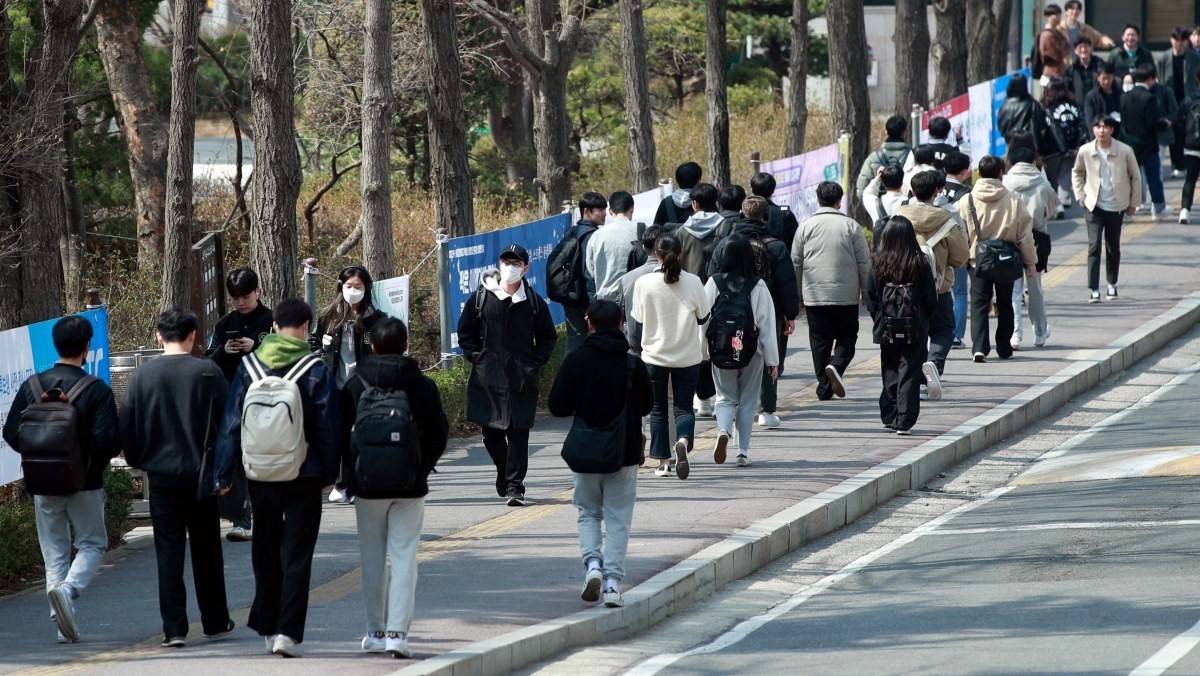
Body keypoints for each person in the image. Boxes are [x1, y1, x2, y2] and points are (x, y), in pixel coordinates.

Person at [215, 297, 341, 658]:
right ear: (305, 327)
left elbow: (231, 423)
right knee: (297, 551)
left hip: (260, 472)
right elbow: (328, 426)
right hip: (304, 473)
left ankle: (268, 626)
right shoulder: (314, 369)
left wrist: (224, 472)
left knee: (265, 546)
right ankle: (287, 631)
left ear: (273, 327)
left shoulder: (249, 367)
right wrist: (328, 473)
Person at [119, 308, 234, 648]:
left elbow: (127, 425)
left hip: (162, 477)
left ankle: (174, 628)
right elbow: (229, 425)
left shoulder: (142, 377)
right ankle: (214, 620)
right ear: (193, 336)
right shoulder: (208, 372)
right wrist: (225, 471)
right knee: (207, 550)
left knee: (168, 552)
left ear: (158, 336)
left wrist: (141, 461)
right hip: (201, 475)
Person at [2, 315, 119, 645]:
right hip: (86, 483)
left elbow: (11, 432)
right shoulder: (95, 390)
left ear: (55, 345)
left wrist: (40, 459)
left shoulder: (32, 387)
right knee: (92, 543)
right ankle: (68, 591)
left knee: (54, 551)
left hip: (43, 484)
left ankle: (60, 620)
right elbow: (107, 440)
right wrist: (88, 462)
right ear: (86, 347)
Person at [340, 317, 448, 658]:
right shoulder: (420, 384)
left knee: (372, 559)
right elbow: (439, 433)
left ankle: (375, 631)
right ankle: (398, 635)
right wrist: (421, 467)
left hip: (367, 485)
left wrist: (350, 475)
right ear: (405, 346)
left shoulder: (355, 383)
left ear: (371, 347)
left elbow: (340, 435)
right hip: (409, 485)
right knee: (404, 558)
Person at [548, 300, 653, 609]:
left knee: (588, 513)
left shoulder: (577, 359)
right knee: (618, 519)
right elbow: (647, 406)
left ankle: (593, 565)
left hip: (586, 452)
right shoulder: (633, 363)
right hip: (624, 452)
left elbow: (557, 406)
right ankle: (611, 584)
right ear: (621, 323)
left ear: (588, 323)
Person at [457, 244, 558, 506]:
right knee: (491, 434)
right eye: (506, 262)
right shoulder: (481, 297)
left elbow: (548, 336)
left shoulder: (533, 302)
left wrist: (535, 361)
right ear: (499, 265)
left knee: (518, 433)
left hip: (521, 377)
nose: (510, 267)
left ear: (526, 268)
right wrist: (475, 356)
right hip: (488, 377)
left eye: (516, 263)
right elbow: (465, 332)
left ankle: (515, 486)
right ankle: (504, 472)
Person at [708, 196, 799, 427]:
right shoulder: (775, 245)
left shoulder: (726, 244)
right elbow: (786, 283)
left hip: (728, 311)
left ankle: (727, 408)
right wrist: (790, 314)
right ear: (766, 215)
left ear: (741, 214)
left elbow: (712, 275)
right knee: (768, 354)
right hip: (767, 308)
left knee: (728, 351)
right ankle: (766, 410)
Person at [631, 233, 710, 479]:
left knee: (658, 410)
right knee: (684, 407)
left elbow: (639, 319)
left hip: (654, 356)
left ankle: (663, 462)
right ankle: (683, 443)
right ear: (681, 254)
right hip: (687, 356)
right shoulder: (694, 282)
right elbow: (704, 317)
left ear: (655, 255)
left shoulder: (643, 283)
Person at [206, 267, 273, 541]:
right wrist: (224, 351)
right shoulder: (224, 325)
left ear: (257, 291)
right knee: (235, 458)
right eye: (235, 297)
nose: (241, 302)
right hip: (232, 402)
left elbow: (283, 356)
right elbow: (209, 361)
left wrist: (255, 348)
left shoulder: (272, 321)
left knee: (262, 458)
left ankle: (267, 514)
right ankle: (241, 519)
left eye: (245, 295)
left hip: (268, 401)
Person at [703, 234, 779, 466]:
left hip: (721, 349)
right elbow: (766, 326)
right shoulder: (758, 285)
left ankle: (724, 430)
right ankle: (742, 452)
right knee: (747, 401)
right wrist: (771, 361)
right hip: (751, 351)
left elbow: (704, 320)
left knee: (724, 397)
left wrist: (704, 352)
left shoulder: (713, 282)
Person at [791, 181, 870, 400]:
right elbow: (864, 263)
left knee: (819, 341)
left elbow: (795, 263)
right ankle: (836, 366)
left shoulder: (805, 227)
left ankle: (824, 386)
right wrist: (867, 291)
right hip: (846, 296)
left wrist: (796, 295)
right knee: (847, 338)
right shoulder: (851, 226)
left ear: (818, 199)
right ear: (839, 201)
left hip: (814, 296)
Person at [313, 264, 385, 504]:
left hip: (363, 386)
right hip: (335, 385)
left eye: (358, 286)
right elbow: (314, 343)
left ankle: (357, 483)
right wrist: (320, 350)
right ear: (340, 287)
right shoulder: (329, 316)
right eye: (348, 286)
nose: (353, 290)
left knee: (360, 435)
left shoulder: (374, 318)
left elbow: (377, 349)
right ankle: (341, 483)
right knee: (339, 436)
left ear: (367, 289)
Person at [895, 170, 969, 400]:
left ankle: (916, 381)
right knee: (944, 330)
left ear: (912, 191)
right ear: (936, 191)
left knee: (913, 334)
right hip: (939, 289)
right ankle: (933, 364)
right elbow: (960, 257)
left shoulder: (898, 218)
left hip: (904, 288)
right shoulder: (946, 219)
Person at [866, 217, 938, 435]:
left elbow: (871, 297)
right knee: (909, 369)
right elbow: (930, 298)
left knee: (889, 367)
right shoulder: (920, 262)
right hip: (914, 326)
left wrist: (880, 318)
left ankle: (889, 415)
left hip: (886, 326)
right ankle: (905, 419)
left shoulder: (878, 262)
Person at [962, 155, 1037, 362]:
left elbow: (962, 234)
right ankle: (1004, 347)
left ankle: (979, 347)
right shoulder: (1014, 199)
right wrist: (1031, 263)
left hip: (978, 260)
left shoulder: (967, 200)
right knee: (1005, 303)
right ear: (1000, 173)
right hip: (1006, 259)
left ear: (980, 173)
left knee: (978, 303)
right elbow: (1024, 235)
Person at [1072, 115, 1141, 303]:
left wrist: (1134, 203)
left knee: (1113, 247)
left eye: (1105, 127)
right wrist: (1080, 194)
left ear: (1112, 129)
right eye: (1098, 126)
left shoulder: (1125, 151)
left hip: (1116, 206)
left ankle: (1112, 284)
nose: (1101, 130)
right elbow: (1077, 172)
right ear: (1093, 129)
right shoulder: (1086, 150)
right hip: (1093, 205)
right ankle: (1094, 289)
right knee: (1094, 246)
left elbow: (1136, 177)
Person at [671, 182, 723, 417]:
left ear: (694, 204)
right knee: (721, 346)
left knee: (697, 348)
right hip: (722, 296)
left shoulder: (681, 233)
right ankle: (723, 395)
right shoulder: (726, 227)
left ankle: (702, 399)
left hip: (690, 298)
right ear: (717, 202)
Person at [1002, 148, 1058, 349]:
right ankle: (1040, 332)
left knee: (1014, 290)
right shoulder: (1042, 183)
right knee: (1035, 289)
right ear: (1033, 163)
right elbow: (1052, 206)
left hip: (1011, 238)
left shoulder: (1005, 183)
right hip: (1037, 238)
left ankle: (1015, 335)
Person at [557, 191, 606, 353]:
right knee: (598, 344)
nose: (604, 213)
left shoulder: (570, 232)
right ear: (586, 211)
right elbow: (590, 274)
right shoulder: (594, 236)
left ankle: (568, 377)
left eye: (605, 209)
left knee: (574, 344)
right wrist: (594, 307)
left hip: (570, 297)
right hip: (587, 300)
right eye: (599, 209)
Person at [1120, 65, 1171, 219]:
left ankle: (1127, 207)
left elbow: (1124, 123)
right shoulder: (1149, 98)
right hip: (1148, 144)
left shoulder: (1125, 97)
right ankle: (1158, 209)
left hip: (1130, 145)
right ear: (1150, 79)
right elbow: (1152, 124)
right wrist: (1165, 123)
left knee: (1129, 178)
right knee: (1153, 177)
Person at [997, 73, 1064, 174]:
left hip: (1011, 145)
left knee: (1011, 172)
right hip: (1030, 145)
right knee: (1034, 173)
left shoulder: (1004, 105)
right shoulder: (1032, 103)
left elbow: (1001, 127)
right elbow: (1042, 124)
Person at [1043, 77, 1089, 214]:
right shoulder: (1074, 105)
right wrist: (1079, 145)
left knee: (1052, 178)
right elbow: (1082, 125)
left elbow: (1053, 129)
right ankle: (1063, 200)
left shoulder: (1048, 108)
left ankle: (1057, 205)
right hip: (1072, 147)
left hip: (1052, 149)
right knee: (1065, 175)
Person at [585, 190, 640, 302]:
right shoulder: (641, 230)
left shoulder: (597, 236)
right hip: (635, 298)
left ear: (610, 211)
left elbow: (591, 269)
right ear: (632, 209)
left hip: (607, 301)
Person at [943, 151, 974, 349]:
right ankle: (956, 335)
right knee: (960, 292)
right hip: (958, 246)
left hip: (936, 247)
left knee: (938, 291)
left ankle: (937, 331)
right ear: (965, 172)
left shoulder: (935, 188)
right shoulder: (966, 195)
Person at [1160, 26, 1200, 176]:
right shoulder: (1164, 57)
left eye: (1183, 40)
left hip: (1189, 99)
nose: (1179, 44)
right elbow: (1160, 79)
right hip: (1170, 99)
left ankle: (1189, 165)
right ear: (1171, 40)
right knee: (1174, 133)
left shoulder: (1194, 57)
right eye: (1176, 40)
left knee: (1189, 132)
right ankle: (1177, 166)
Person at [619, 224, 664, 355]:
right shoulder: (679, 275)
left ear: (643, 247)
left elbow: (622, 313)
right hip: (671, 349)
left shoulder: (627, 278)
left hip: (636, 348)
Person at [856, 115, 915, 193]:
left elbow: (861, 189)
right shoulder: (913, 156)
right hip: (906, 204)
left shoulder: (873, 158)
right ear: (904, 133)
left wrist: (874, 203)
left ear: (886, 132)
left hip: (879, 203)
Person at [750, 171, 800, 248]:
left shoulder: (745, 214)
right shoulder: (785, 214)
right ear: (773, 191)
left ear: (752, 190)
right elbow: (796, 242)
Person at [1179, 73, 1200, 224]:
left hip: (1192, 146)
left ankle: (1185, 210)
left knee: (1190, 179)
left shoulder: (1189, 100)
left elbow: (1180, 123)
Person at [654, 161, 702, 226]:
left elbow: (655, 230)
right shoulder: (704, 202)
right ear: (698, 181)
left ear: (677, 180)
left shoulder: (666, 203)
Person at [1083, 62, 1122, 140]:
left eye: (1109, 78)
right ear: (1098, 77)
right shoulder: (1091, 97)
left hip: (1118, 136)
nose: (1106, 82)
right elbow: (1090, 121)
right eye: (1103, 78)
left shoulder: (1121, 94)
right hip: (1100, 136)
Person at [1035, 5, 1073, 80]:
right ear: (1047, 17)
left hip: (1059, 71)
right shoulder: (1047, 35)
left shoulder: (1058, 32)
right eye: (1055, 15)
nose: (1058, 18)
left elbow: (1068, 47)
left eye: (1059, 15)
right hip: (1051, 73)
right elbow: (1056, 54)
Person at [1067, 36, 1101, 109]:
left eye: (1085, 46)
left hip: (1098, 107)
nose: (1083, 49)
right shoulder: (1072, 69)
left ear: (1091, 49)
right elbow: (1067, 89)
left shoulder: (1099, 65)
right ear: (1075, 51)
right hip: (1079, 108)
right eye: (1080, 47)